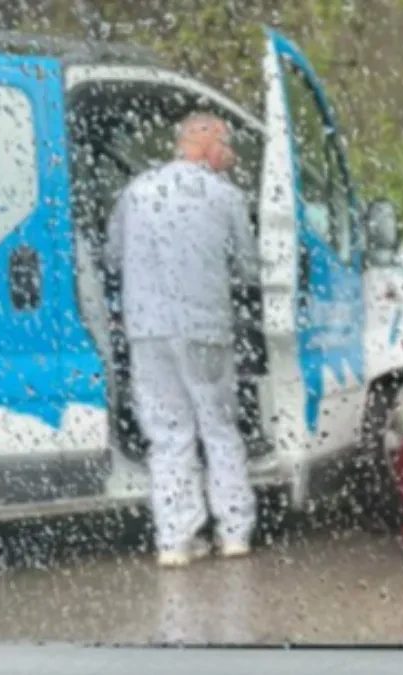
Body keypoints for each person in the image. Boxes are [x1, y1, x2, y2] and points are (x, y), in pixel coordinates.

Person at [105, 112, 259, 568]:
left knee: (168, 434)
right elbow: (248, 267)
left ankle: (175, 540)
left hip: (147, 329)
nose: (230, 155)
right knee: (218, 427)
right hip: (205, 327)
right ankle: (234, 532)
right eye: (226, 145)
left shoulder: (134, 193)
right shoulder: (226, 196)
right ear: (207, 145)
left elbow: (113, 257)